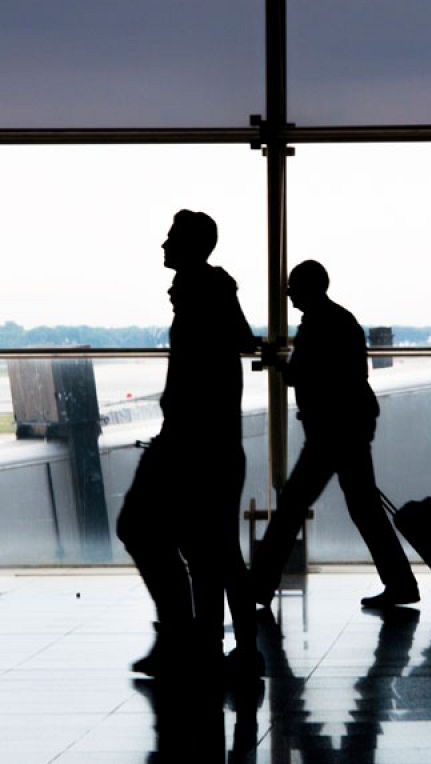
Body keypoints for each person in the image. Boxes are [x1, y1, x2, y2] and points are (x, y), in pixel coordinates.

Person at [117, 210, 262, 681]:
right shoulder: (214, 295)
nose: (163, 245)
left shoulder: (198, 300)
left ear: (189, 247)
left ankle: (191, 637)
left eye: (171, 239)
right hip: (210, 445)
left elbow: (194, 378)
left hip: (190, 445)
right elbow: (239, 341)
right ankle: (217, 643)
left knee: (145, 528)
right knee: (215, 549)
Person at [249, 260, 417, 609]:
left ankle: (260, 586)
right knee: (363, 509)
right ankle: (400, 582)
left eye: (292, 286)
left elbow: (302, 376)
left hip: (330, 432)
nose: (288, 293)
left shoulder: (318, 326)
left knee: (293, 507)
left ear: (306, 288)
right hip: (348, 427)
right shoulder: (341, 320)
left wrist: (277, 362)